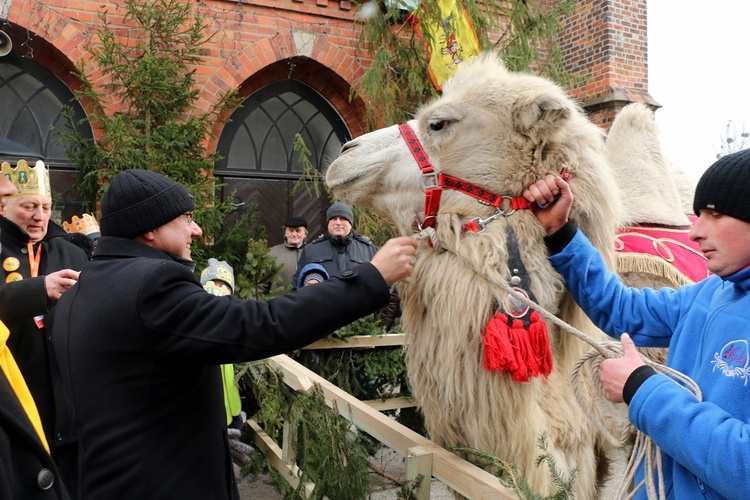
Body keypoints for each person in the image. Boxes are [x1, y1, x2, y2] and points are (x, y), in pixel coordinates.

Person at [52, 168, 416, 499]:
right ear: (150, 229)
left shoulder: (81, 290)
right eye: (186, 219)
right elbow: (262, 324)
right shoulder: (151, 283)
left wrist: (201, 434)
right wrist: (371, 278)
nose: (195, 230)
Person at [522, 148, 750, 499]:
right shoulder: (710, 293)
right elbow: (622, 309)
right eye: (698, 214)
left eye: (716, 215)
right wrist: (559, 231)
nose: (694, 232)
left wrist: (642, 388)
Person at [0, 159, 87, 494]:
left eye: (46, 207)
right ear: (4, 206)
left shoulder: (68, 251)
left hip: (70, 410)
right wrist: (39, 290)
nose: (39, 216)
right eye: (29, 206)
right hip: (18, 398)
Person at [293, 201, 378, 289]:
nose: (338, 222)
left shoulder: (369, 249)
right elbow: (297, 287)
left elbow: (381, 285)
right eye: (333, 218)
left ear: (350, 223)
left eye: (342, 218)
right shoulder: (311, 250)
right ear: (328, 223)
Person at [268, 216, 308, 289]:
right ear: (285, 234)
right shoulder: (273, 253)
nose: (294, 234)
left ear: (305, 234)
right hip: (279, 299)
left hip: (305, 299)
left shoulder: (312, 251)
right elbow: (261, 282)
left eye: (298, 231)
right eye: (291, 231)